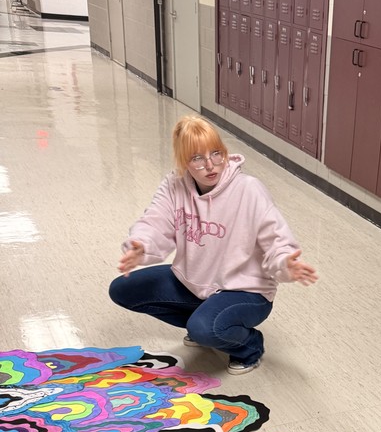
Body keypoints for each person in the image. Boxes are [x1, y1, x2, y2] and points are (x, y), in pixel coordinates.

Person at [109, 116, 317, 375]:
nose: (210, 165)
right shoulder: (175, 185)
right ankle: (206, 321)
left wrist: (287, 264)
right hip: (195, 282)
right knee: (123, 289)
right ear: (184, 162)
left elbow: (277, 241)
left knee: (205, 328)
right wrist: (140, 245)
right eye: (197, 158)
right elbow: (155, 221)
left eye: (216, 154)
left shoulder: (248, 190)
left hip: (246, 291)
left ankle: (249, 346)